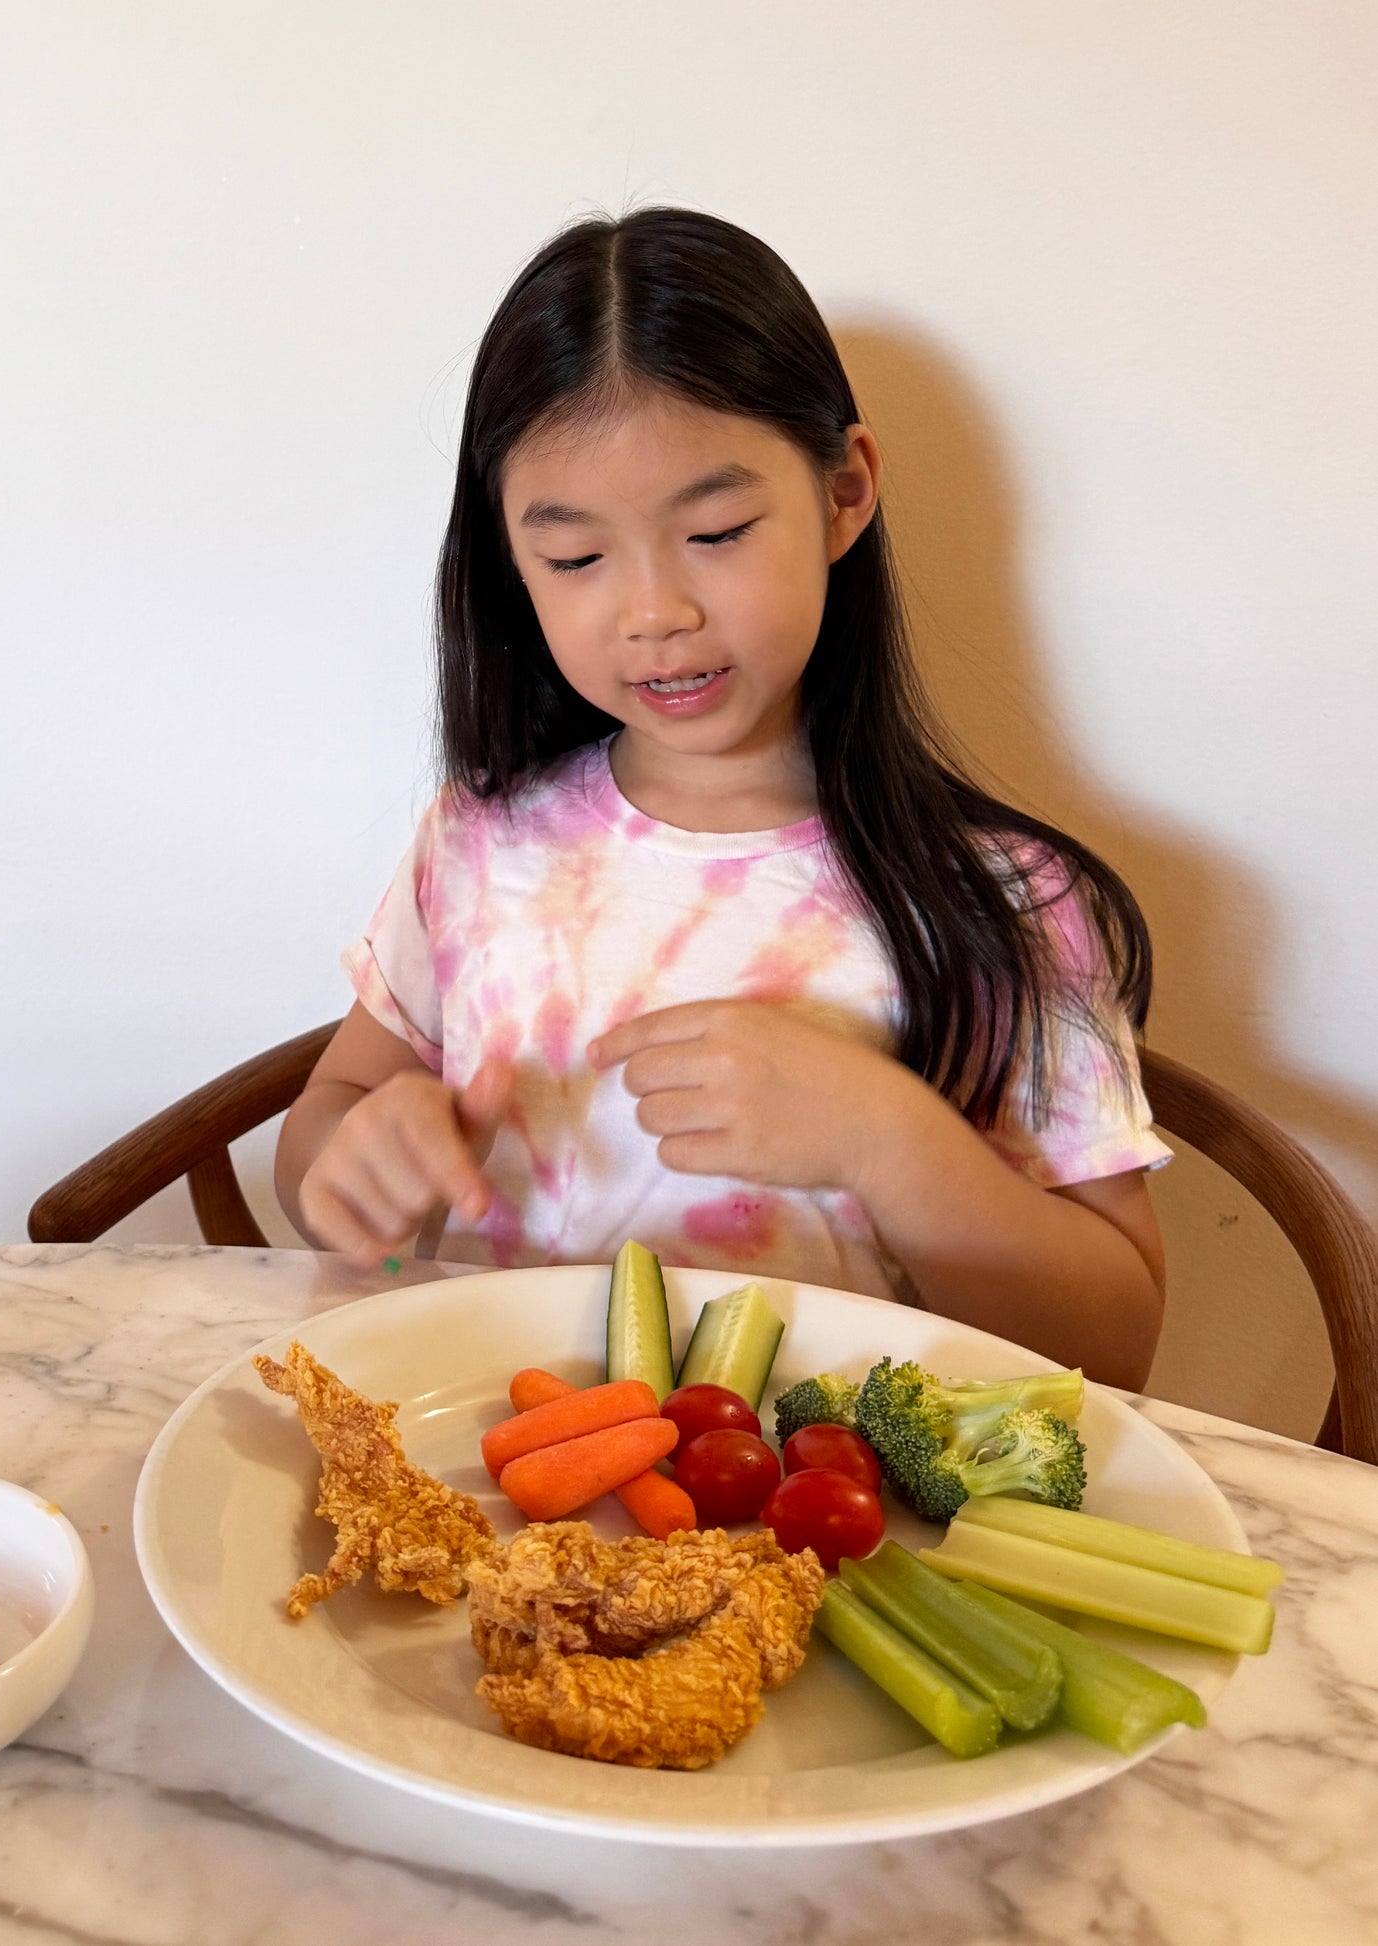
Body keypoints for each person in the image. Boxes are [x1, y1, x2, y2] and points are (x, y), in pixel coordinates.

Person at [273, 208, 1169, 1389]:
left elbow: (1109, 1344)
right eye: (575, 558)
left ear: (844, 491)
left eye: (715, 530)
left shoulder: (997, 898)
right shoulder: (483, 839)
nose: (651, 611)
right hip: (494, 1484)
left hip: (821, 1530)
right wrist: (349, 1153)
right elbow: (334, 1109)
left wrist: (883, 1137)